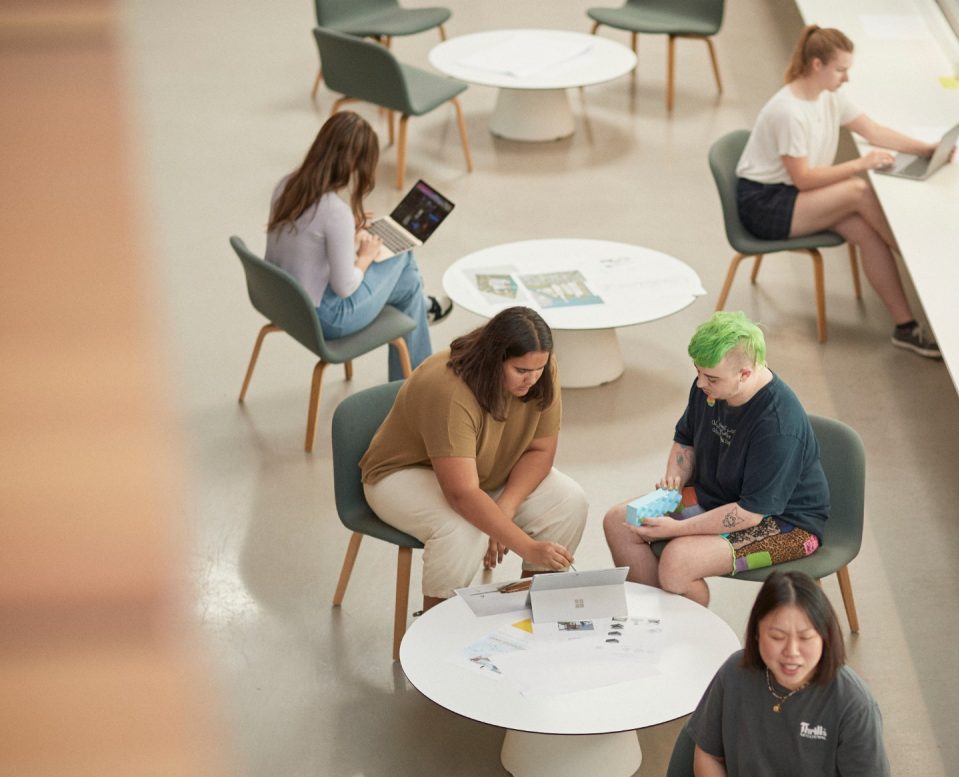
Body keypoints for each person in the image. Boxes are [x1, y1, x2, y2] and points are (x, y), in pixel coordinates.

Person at [736, 25, 946, 359]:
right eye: (841, 70)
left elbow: (873, 130)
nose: (846, 78)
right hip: (765, 204)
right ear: (817, 65)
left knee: (864, 230)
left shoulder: (829, 95)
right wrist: (860, 163)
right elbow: (803, 179)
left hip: (793, 195)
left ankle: (906, 328)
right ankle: (925, 269)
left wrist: (927, 149)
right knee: (859, 192)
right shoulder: (789, 112)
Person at [360, 307, 587, 610]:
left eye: (539, 369)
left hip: (482, 470)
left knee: (570, 501)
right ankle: (435, 623)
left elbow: (540, 451)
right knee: (464, 528)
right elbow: (462, 494)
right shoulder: (450, 390)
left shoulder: (539, 368)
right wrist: (528, 546)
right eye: (521, 371)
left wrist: (504, 509)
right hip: (402, 474)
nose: (531, 379)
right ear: (495, 360)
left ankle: (536, 608)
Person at [603, 312, 829, 606]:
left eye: (710, 378)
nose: (700, 384)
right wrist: (675, 477)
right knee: (619, 523)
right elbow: (686, 437)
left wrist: (678, 529)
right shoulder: (711, 387)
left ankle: (688, 632)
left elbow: (750, 513)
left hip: (787, 523)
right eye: (698, 373)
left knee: (677, 562)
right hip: (721, 496)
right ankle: (658, 619)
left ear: (745, 374)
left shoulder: (778, 426)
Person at [689, 571, 890, 777]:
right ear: (757, 633)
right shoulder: (735, 673)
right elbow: (707, 753)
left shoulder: (853, 702)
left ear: (825, 637)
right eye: (777, 636)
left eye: (806, 637)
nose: (791, 652)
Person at [265, 111, 451, 382]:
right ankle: (416, 385)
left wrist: (346, 234)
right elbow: (345, 287)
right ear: (355, 163)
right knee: (402, 255)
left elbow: (306, 242)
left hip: (287, 305)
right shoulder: (334, 211)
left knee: (408, 288)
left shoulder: (287, 184)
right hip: (328, 318)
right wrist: (365, 257)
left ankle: (420, 309)